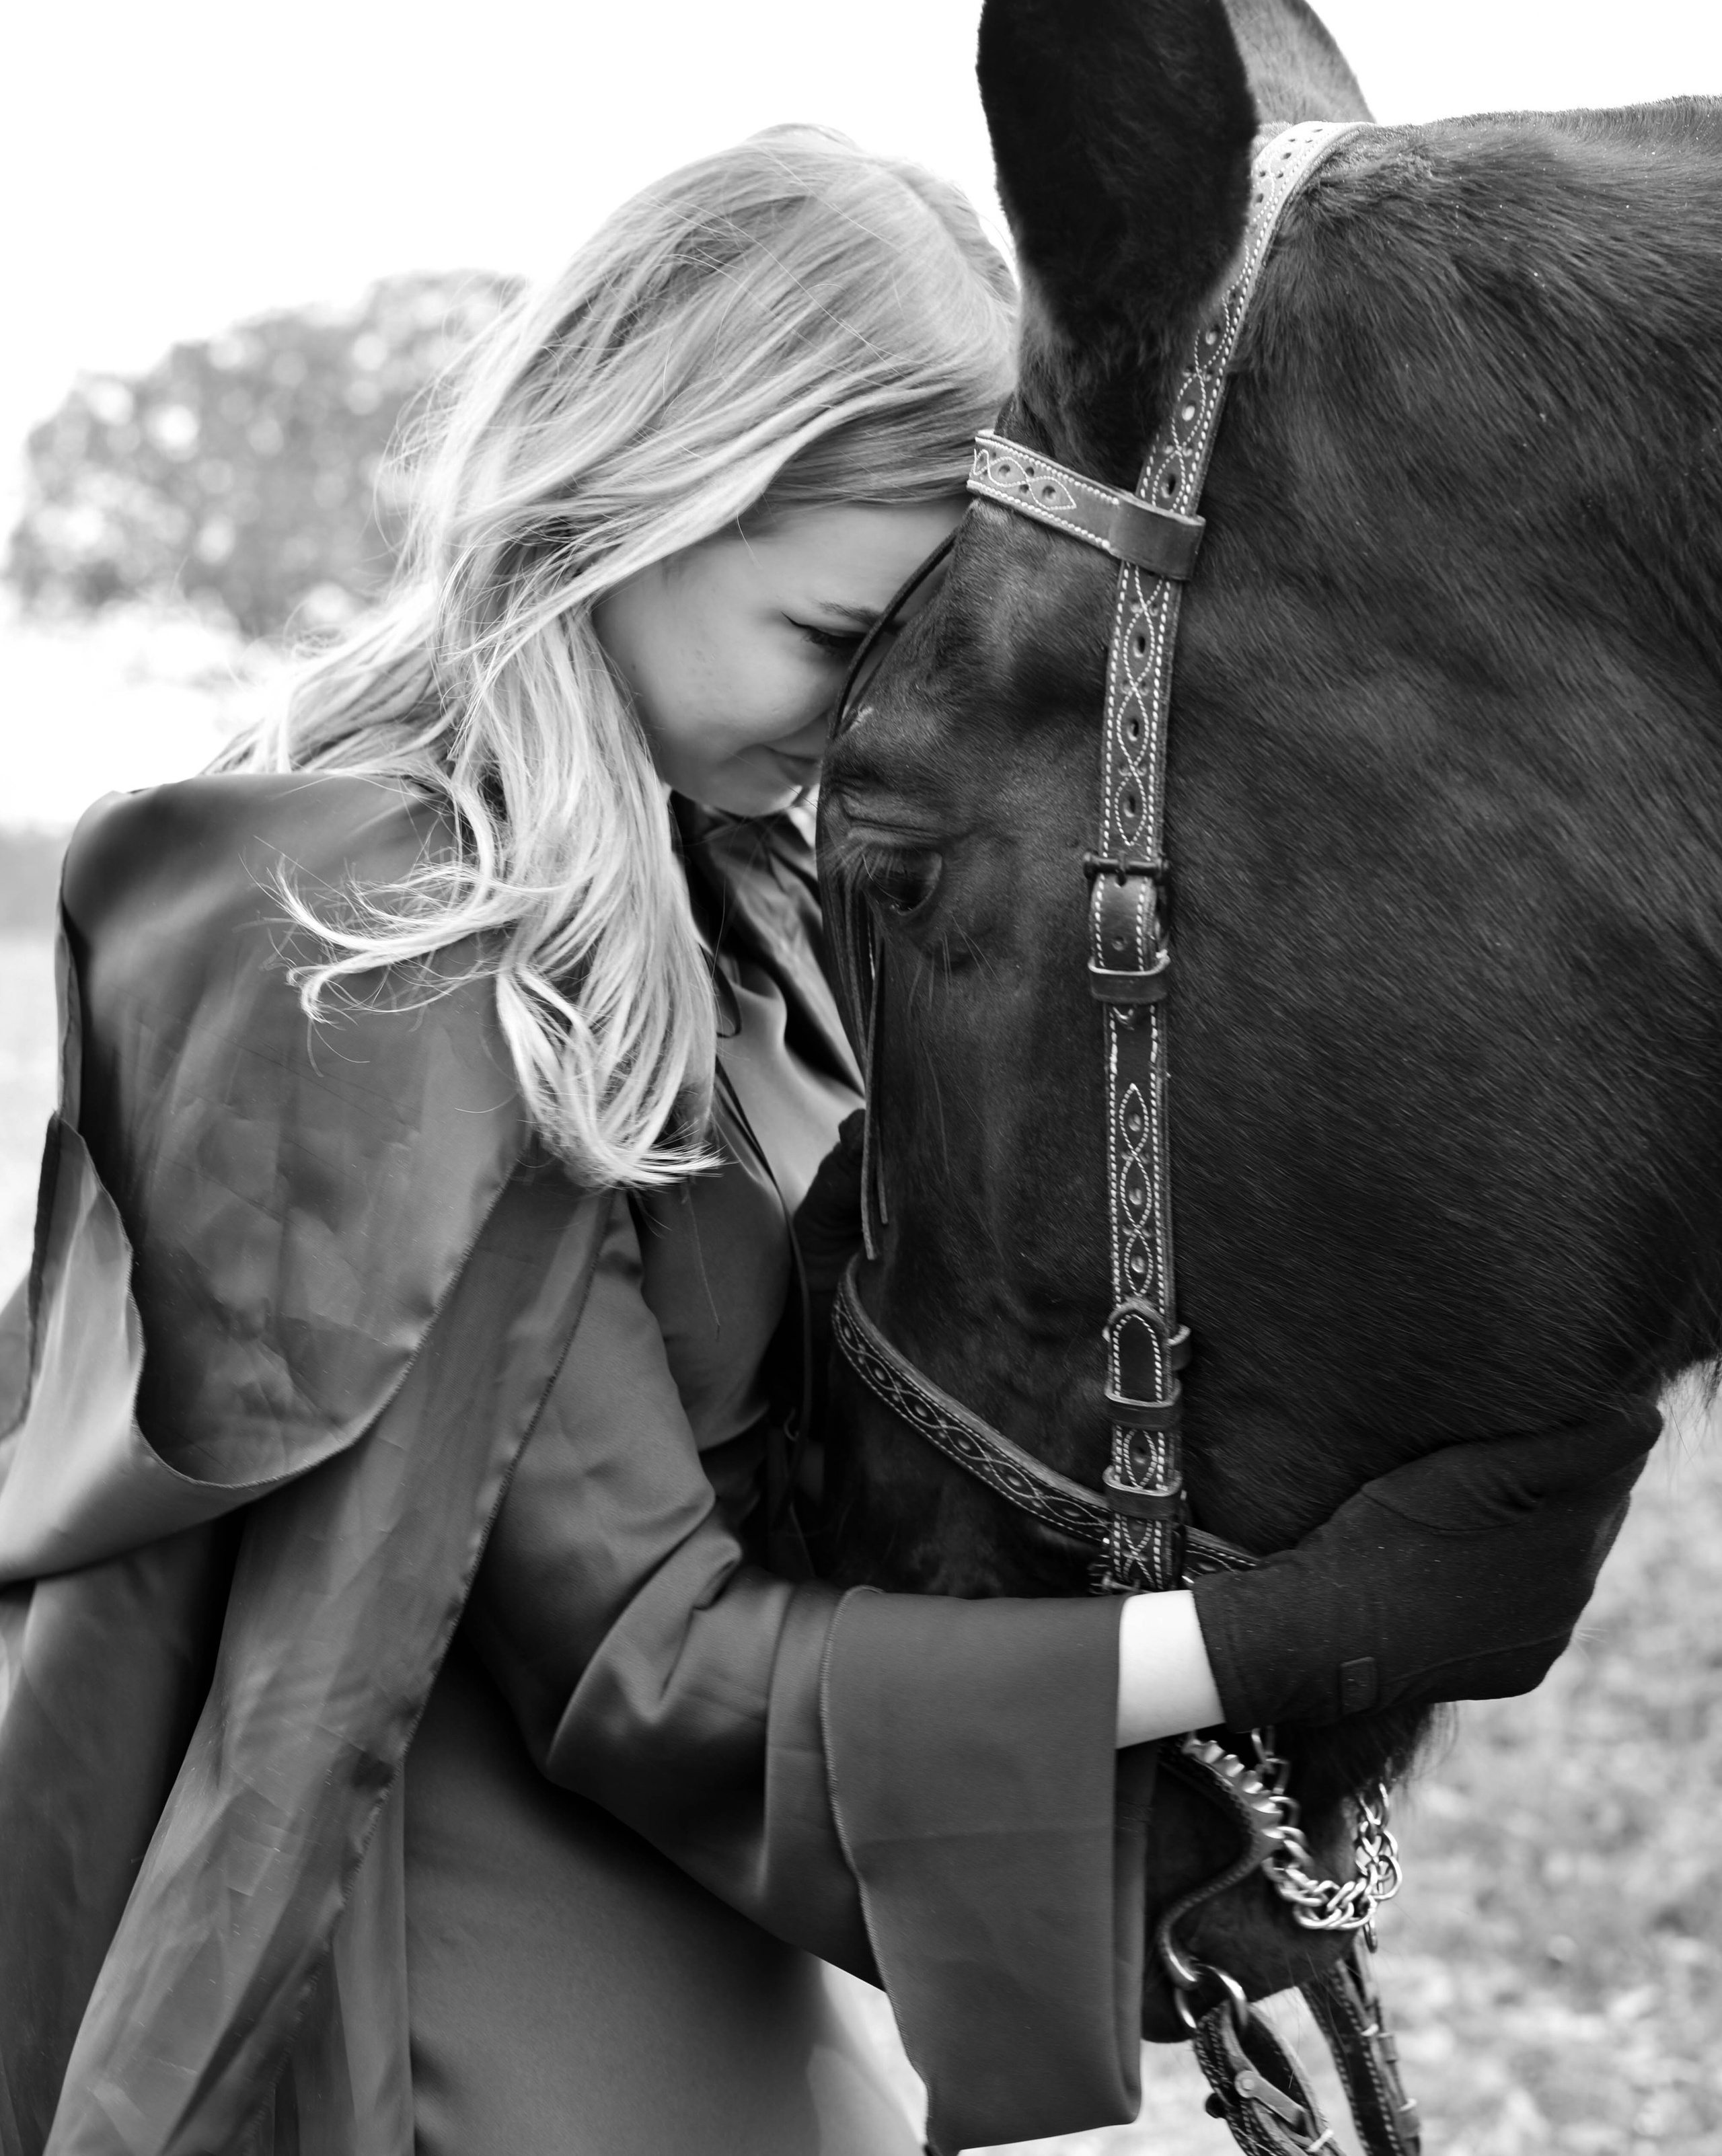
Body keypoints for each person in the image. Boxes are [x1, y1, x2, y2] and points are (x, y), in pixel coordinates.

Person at [0, 127, 1657, 2156]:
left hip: (717, 1963)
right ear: (641, 493)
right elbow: (641, 1654)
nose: (866, 710)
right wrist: (1289, 1629)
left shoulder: (747, 892)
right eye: (826, 635)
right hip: (456, 2040)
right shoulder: (365, 939)